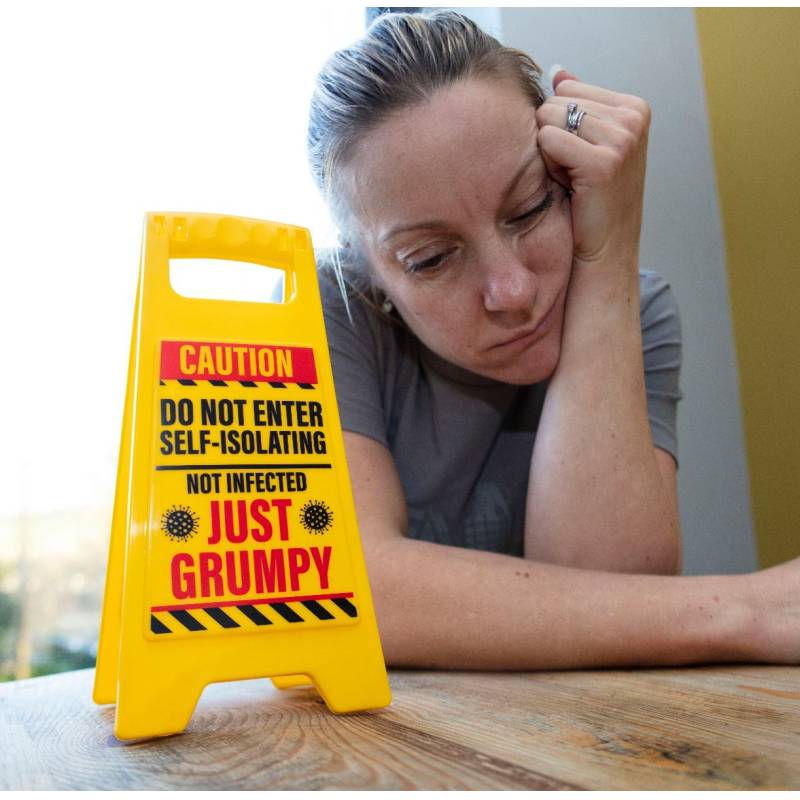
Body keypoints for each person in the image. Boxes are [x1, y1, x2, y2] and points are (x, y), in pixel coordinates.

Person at [306, 10, 799, 669]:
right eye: (430, 259)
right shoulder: (329, 309)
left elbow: (614, 583)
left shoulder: (634, 305)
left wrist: (610, 249)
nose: (512, 291)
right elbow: (349, 585)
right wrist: (742, 610)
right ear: (367, 275)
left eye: (533, 205)